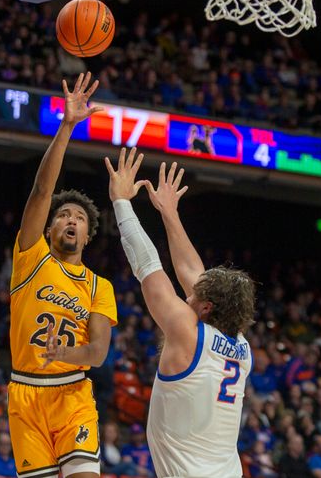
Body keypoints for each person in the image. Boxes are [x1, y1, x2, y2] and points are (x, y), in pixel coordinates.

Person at [105, 150, 256, 477]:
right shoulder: (242, 346)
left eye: (196, 295)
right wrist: (169, 213)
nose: (190, 292)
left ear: (206, 307)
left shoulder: (190, 333)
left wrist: (121, 203)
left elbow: (148, 268)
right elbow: (194, 273)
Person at [7, 72, 117, 478]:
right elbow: (41, 190)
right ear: (49, 228)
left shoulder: (97, 287)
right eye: (64, 215)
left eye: (80, 218)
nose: (71, 219)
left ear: (88, 236)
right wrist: (67, 126)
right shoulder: (30, 257)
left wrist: (63, 355)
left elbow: (98, 354)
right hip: (25, 393)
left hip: (73, 394)